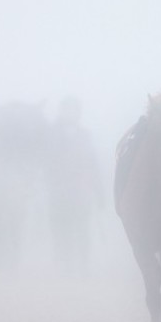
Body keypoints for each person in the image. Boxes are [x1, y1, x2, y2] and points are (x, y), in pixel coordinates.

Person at [45, 96, 104, 276]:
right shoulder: (51, 134)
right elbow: (46, 161)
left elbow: (92, 162)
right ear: (61, 111)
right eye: (66, 109)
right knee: (61, 228)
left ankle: (83, 264)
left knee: (82, 228)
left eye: (73, 110)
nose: (70, 113)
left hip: (81, 191)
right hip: (58, 191)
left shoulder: (85, 135)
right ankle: (64, 264)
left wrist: (98, 190)